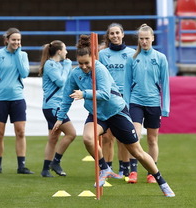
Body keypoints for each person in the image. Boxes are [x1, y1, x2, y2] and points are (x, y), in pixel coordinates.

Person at [52, 34, 175, 197]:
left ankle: (162, 182)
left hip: (116, 111)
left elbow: (104, 94)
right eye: (80, 63)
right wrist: (60, 117)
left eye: (87, 63)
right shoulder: (76, 74)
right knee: (88, 138)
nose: (83, 67)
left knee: (137, 151)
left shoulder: (100, 70)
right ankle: (105, 168)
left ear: (93, 59)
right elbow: (67, 95)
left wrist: (85, 93)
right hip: (98, 114)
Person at [123, 24, 170, 183]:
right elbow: (127, 83)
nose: (144, 41)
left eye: (146, 38)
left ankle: (151, 172)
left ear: (152, 38)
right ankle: (133, 171)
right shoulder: (132, 58)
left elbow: (165, 84)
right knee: (134, 137)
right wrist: (126, 105)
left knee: (152, 139)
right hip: (135, 102)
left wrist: (165, 108)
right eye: (141, 39)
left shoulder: (160, 58)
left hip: (153, 103)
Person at [0, 28, 33, 174]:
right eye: (14, 40)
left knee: (20, 132)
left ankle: (21, 166)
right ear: (7, 40)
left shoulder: (23, 55)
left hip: (17, 98)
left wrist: (18, 53)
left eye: (19, 40)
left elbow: (24, 73)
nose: (16, 42)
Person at [98, 23, 135, 178]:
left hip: (125, 99)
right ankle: (108, 169)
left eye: (117, 33)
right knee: (107, 137)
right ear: (109, 36)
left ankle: (124, 169)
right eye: (112, 33)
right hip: (108, 98)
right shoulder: (102, 54)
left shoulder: (132, 53)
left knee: (123, 137)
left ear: (122, 34)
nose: (115, 36)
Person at [38, 40, 76, 177]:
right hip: (53, 107)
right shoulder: (50, 64)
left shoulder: (58, 65)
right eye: (65, 49)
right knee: (71, 133)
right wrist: (67, 65)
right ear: (59, 51)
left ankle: (45, 169)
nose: (67, 52)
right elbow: (61, 82)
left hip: (55, 106)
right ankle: (56, 162)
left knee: (53, 138)